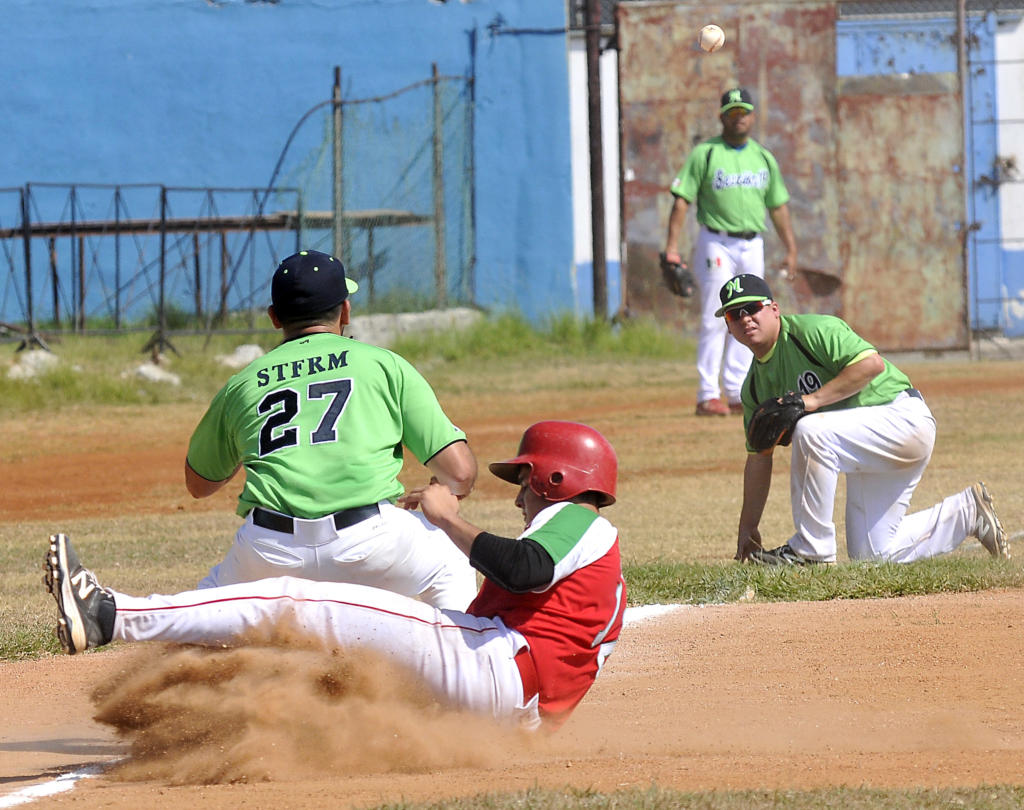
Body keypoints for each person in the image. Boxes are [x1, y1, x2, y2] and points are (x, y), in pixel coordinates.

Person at [43, 421, 627, 731]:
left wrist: (450, 519)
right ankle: (231, 725)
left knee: (293, 600)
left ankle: (110, 614)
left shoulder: (578, 520)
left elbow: (524, 570)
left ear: (556, 479)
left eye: (525, 479)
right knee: (344, 669)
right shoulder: (590, 551)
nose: (520, 493)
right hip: (512, 710)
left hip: (493, 669)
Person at [184, 249, 478, 610]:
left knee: (200, 609)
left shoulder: (241, 385)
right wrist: (443, 491)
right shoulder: (382, 365)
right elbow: (460, 472)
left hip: (270, 555)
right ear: (346, 309)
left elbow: (199, 485)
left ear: (275, 318)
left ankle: (186, 654)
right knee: (451, 557)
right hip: (370, 546)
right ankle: (455, 660)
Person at [717, 273, 1009, 565]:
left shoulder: (813, 331)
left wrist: (812, 401)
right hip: (863, 445)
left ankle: (811, 552)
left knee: (809, 429)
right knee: (872, 554)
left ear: (774, 309)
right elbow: (758, 458)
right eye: (734, 314)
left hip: (901, 419)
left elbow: (871, 364)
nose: (745, 318)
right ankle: (966, 513)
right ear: (728, 328)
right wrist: (748, 527)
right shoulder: (754, 388)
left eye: (752, 308)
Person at [662, 87, 798, 417]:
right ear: (722, 116)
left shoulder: (763, 157)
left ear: (752, 116)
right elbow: (682, 202)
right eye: (733, 112)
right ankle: (707, 393)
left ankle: (738, 391)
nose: (739, 118)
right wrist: (671, 248)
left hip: (753, 243)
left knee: (752, 315)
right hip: (716, 240)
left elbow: (778, 206)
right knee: (716, 314)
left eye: (744, 112)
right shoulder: (706, 153)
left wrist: (791, 249)